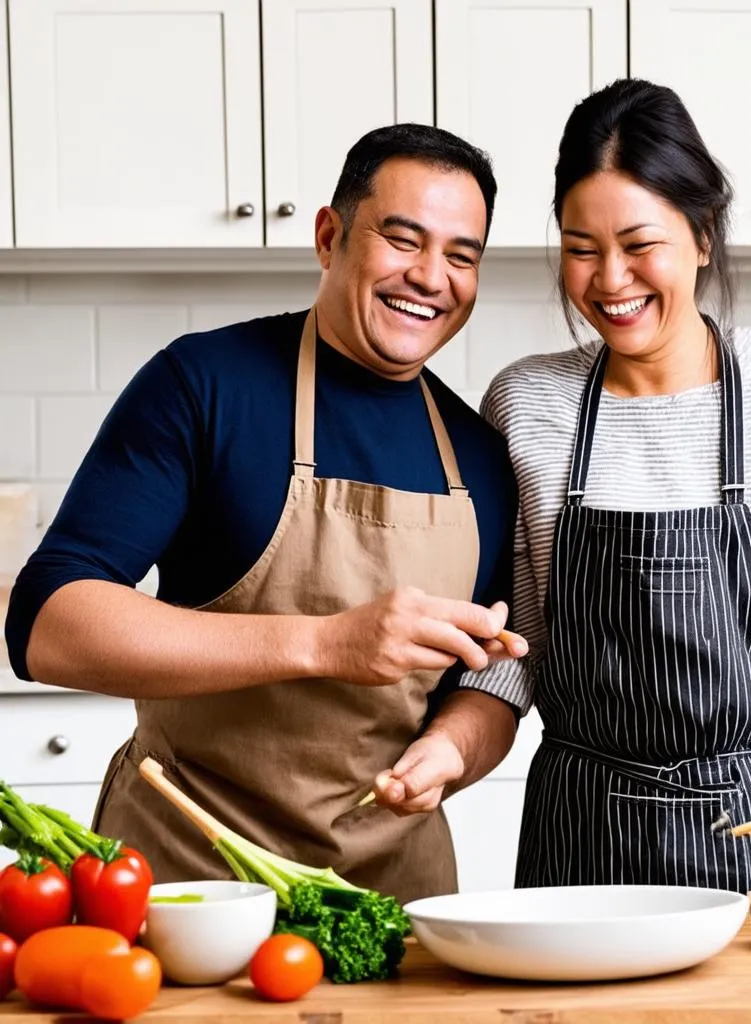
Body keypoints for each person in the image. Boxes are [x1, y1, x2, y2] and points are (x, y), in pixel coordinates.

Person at [372, 79, 751, 892]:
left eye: (638, 243)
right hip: (595, 843)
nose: (609, 279)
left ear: (703, 236)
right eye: (581, 248)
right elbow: (515, 647)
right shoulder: (525, 404)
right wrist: (448, 746)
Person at [3, 124, 528, 904]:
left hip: (395, 895)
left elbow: (490, 676)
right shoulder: (204, 386)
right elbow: (46, 625)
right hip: (189, 881)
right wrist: (323, 642)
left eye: (461, 255)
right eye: (402, 238)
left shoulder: (480, 454)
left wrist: (450, 750)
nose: (430, 277)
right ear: (329, 236)